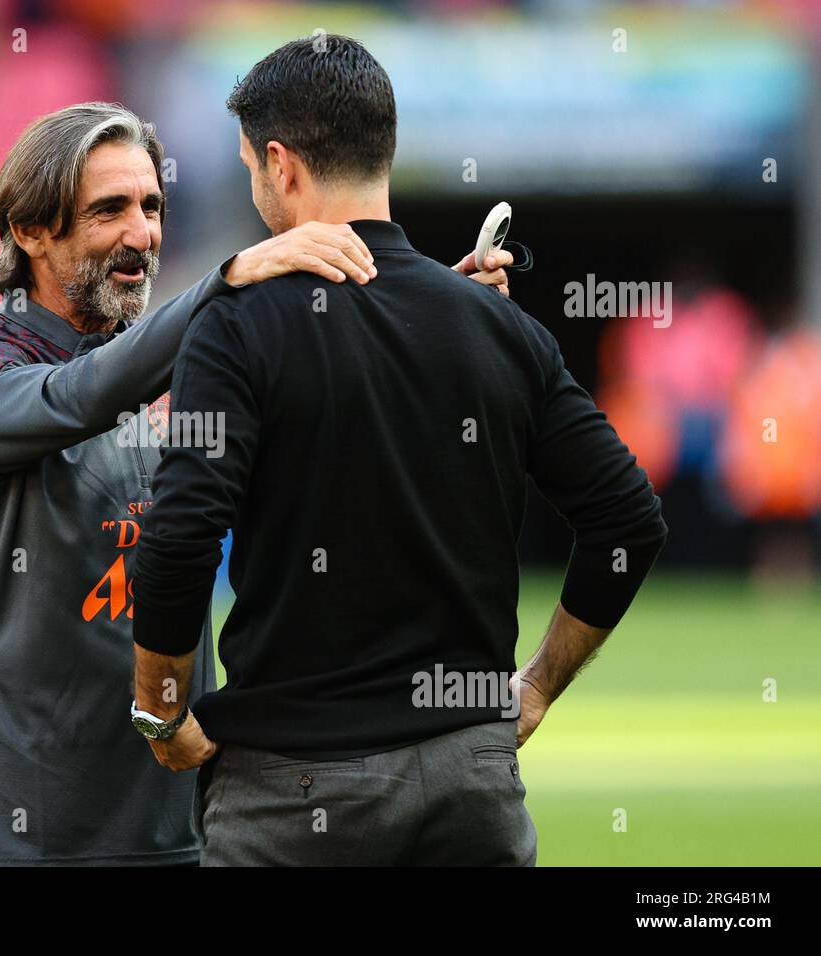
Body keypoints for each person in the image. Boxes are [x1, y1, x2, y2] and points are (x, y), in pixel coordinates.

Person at [0, 101, 513, 866]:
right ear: (29, 230)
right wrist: (223, 285)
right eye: (109, 211)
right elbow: (77, 398)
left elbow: (324, 448)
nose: (143, 234)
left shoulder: (168, 368)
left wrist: (438, 325)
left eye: (152, 206)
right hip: (26, 834)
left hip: (187, 819)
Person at [129, 36, 668, 866]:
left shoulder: (237, 322)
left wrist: (160, 709)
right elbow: (628, 520)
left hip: (294, 790)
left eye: (248, 166)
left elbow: (180, 535)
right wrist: (536, 687)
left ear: (281, 164)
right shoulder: (496, 323)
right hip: (473, 783)